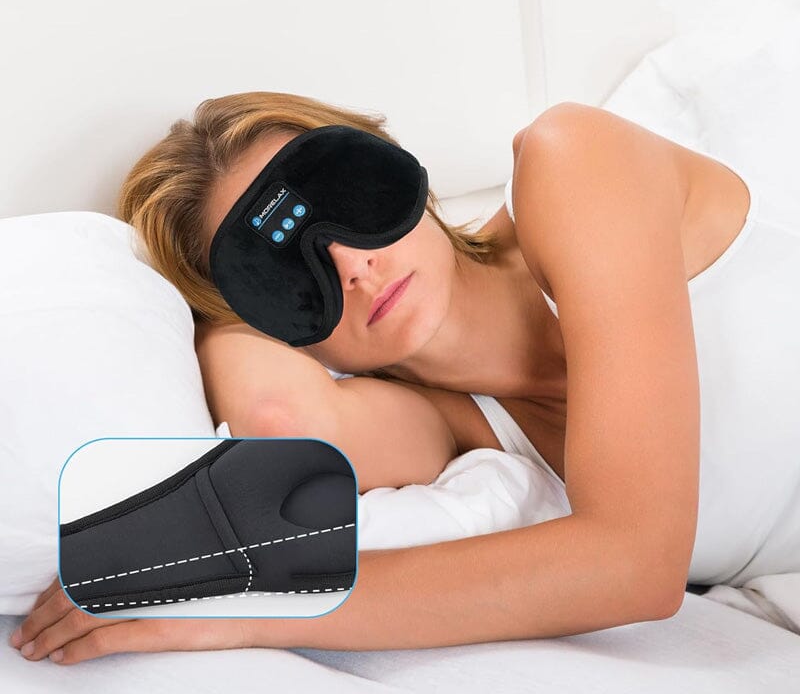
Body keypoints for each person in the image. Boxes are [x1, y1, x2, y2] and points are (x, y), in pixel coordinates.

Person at [12, 92, 800, 664]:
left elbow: (636, 563)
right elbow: (282, 420)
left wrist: (248, 606)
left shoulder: (575, 165)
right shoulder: (447, 424)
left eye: (342, 201)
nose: (351, 266)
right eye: (284, 273)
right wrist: (221, 310)